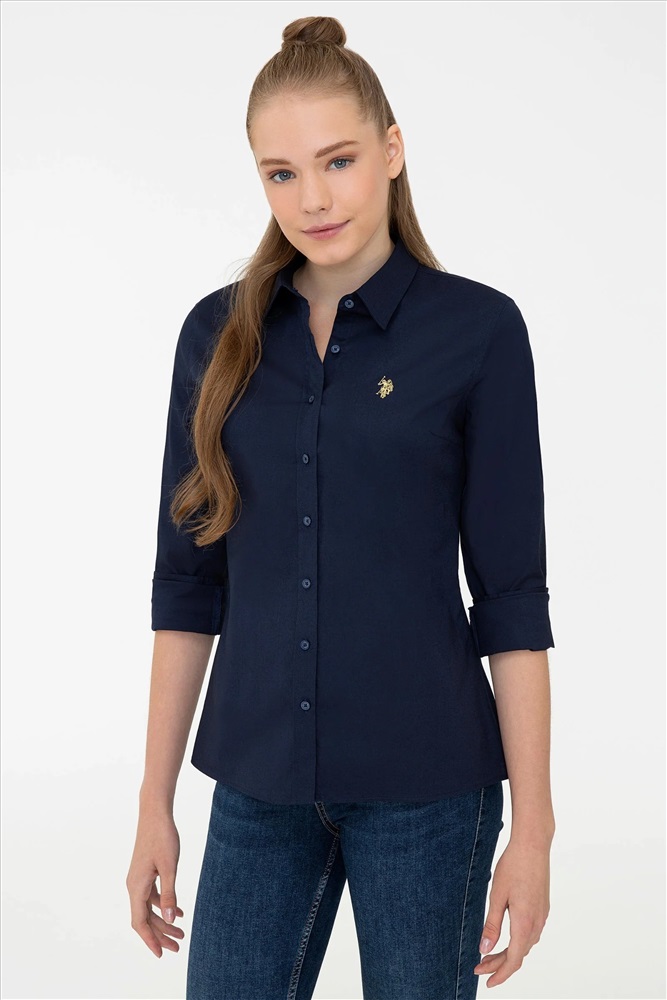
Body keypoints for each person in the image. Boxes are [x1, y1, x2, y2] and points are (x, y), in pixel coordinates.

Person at [126, 14, 556, 1000]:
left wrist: (532, 831)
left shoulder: (479, 333)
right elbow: (187, 586)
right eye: (280, 173)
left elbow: (512, 601)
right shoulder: (214, 338)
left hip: (429, 792)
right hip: (257, 785)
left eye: (338, 160)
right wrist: (153, 802)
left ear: (392, 150)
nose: (312, 199)